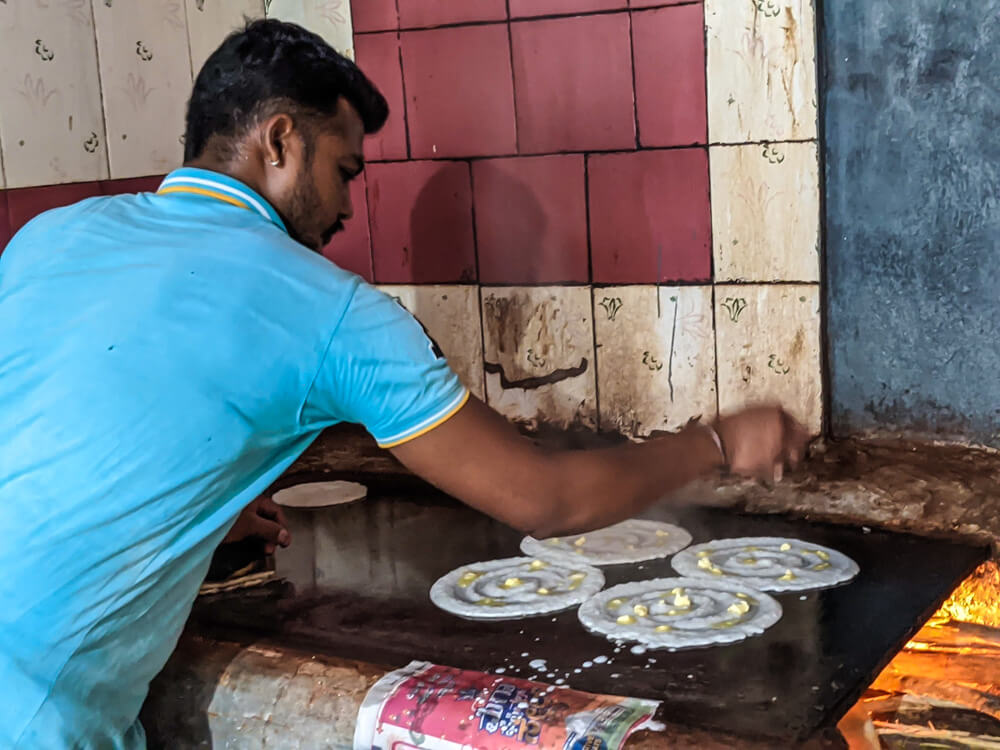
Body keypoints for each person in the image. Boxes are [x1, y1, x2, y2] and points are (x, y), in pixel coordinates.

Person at [0, 19, 808, 748]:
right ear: (279, 140)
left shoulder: (50, 237)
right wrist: (718, 440)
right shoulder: (329, 309)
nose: (349, 204)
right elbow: (545, 499)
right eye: (345, 168)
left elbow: (64, 422)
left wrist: (196, 511)